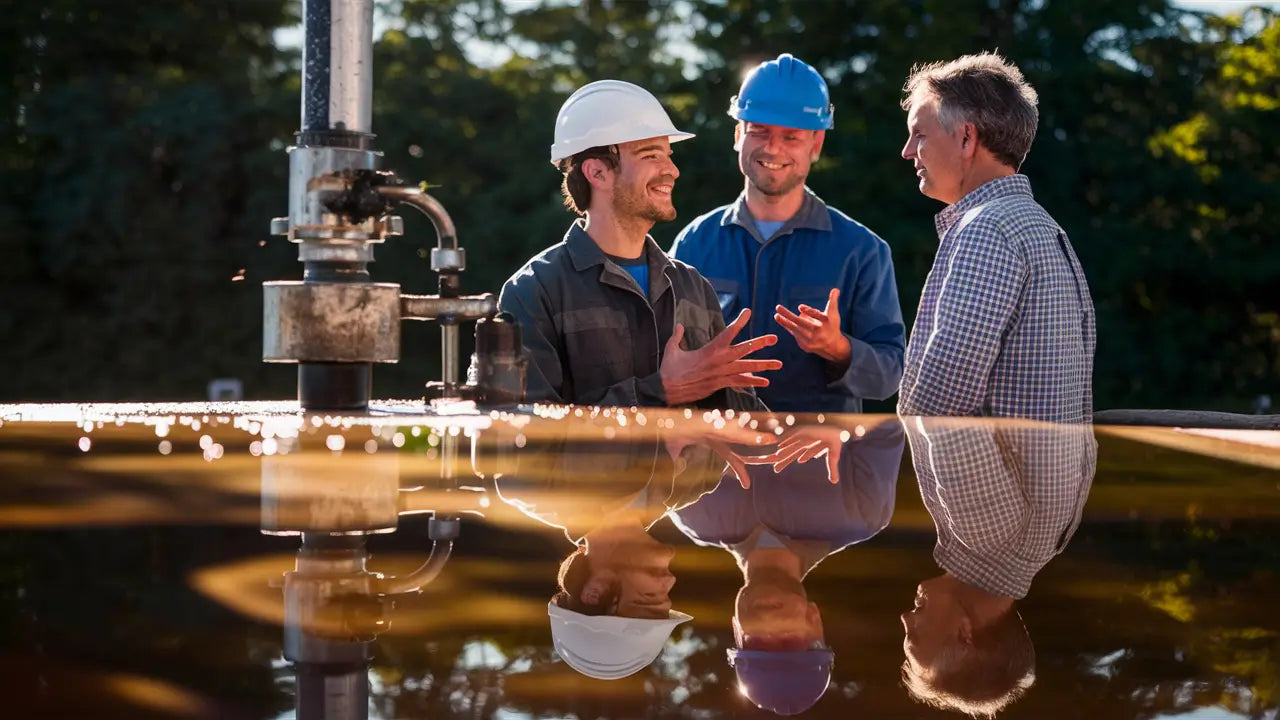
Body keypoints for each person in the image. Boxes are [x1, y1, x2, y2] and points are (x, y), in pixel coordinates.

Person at [498, 79, 780, 410]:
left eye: (668, 155)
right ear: (597, 173)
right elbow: (524, 432)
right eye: (650, 155)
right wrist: (660, 392)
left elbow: (733, 423)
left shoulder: (692, 287)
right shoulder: (534, 292)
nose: (672, 170)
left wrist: (775, 436)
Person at [670, 54, 905, 414]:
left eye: (791, 136)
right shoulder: (693, 243)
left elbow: (890, 376)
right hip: (717, 461)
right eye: (759, 131)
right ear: (738, 134)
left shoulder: (863, 251)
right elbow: (664, 360)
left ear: (816, 145)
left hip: (819, 464)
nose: (772, 148)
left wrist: (838, 348)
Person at [896, 52, 1096, 423]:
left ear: (967, 137)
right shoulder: (1040, 226)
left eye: (919, 134)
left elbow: (941, 402)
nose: (907, 151)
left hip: (988, 483)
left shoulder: (986, 230)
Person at [671, 420, 905, 714]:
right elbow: (891, 414)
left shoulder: (694, 517)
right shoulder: (863, 512)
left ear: (736, 628)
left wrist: (693, 428)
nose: (770, 628)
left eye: (757, 643)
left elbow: (659, 422)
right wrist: (842, 425)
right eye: (787, 640)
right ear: (814, 621)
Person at [899, 416, 1095, 716]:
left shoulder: (1053, 539)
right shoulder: (980, 531)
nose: (904, 618)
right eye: (915, 637)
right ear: (964, 634)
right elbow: (941, 406)